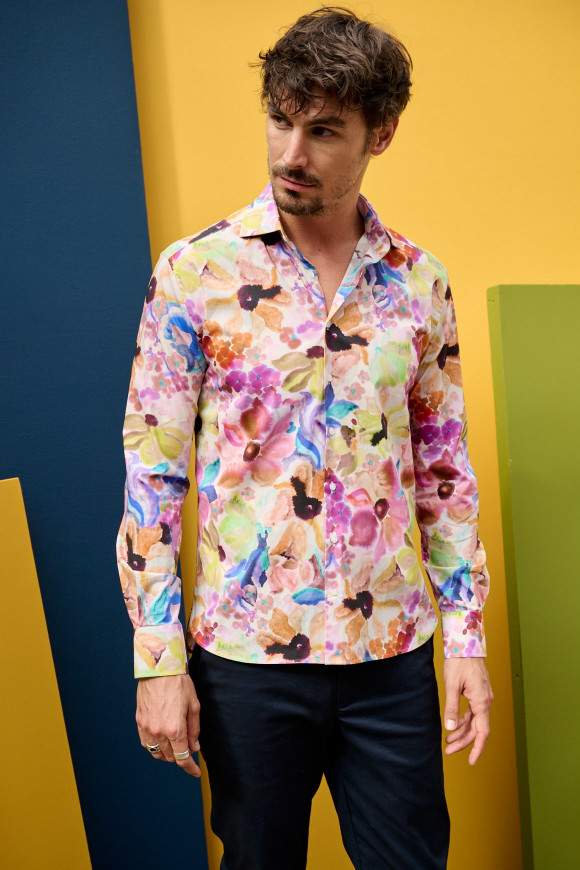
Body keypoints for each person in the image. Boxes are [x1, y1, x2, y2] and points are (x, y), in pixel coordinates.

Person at [116, 6, 494, 868]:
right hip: (246, 660)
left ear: (380, 134)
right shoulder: (195, 274)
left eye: (323, 131)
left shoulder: (420, 283)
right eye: (280, 121)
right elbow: (152, 480)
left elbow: (443, 474)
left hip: (390, 655)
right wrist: (158, 661)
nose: (292, 152)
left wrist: (467, 640)